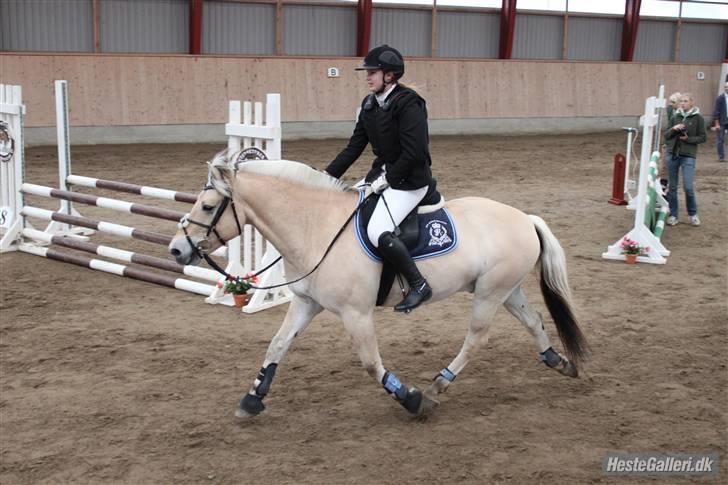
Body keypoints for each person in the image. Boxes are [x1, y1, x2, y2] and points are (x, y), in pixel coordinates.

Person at [325, 45, 436, 312]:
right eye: (368, 72)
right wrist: (325, 177)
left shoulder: (409, 103)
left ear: (390, 75)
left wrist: (388, 179)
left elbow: (415, 152)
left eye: (372, 72)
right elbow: (354, 147)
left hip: (410, 181)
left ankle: (419, 284)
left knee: (378, 231)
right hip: (382, 174)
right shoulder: (370, 104)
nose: (367, 76)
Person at [664, 93, 706, 226]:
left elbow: (703, 137)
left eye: (686, 101)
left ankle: (693, 214)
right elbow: (666, 136)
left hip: (688, 155)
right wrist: (674, 128)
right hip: (673, 154)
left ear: (691, 102)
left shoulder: (698, 118)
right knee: (672, 187)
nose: (683, 103)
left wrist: (688, 139)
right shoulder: (675, 116)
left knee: (688, 187)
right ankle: (673, 215)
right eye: (681, 101)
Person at [711, 82, 728, 162]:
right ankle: (721, 157)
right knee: (720, 140)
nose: (726, 88)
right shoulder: (720, 98)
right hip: (722, 121)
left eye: (727, 87)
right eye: (725, 87)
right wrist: (717, 124)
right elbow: (716, 112)